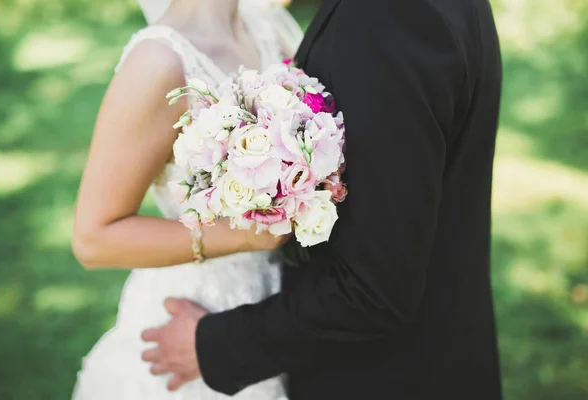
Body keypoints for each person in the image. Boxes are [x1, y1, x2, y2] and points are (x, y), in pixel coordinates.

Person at [141, 0, 504, 399]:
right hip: (446, 349)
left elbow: (375, 286)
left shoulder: (386, 17)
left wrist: (217, 345)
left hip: (385, 375)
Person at [71, 0, 303, 398]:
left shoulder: (267, 31)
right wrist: (246, 236)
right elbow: (94, 239)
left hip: (278, 309)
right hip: (196, 318)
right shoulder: (159, 62)